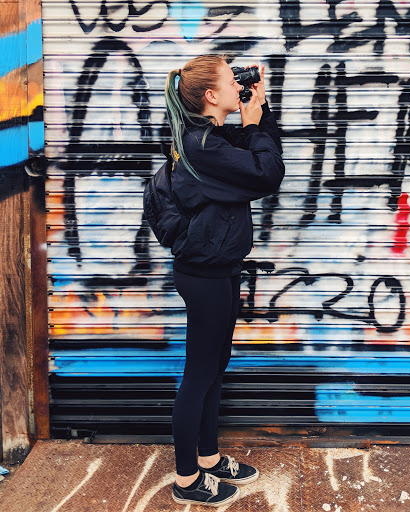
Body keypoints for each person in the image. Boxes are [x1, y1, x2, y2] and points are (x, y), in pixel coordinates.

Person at [163, 55, 285, 507]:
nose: (240, 85)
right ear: (211, 95)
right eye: (233, 80)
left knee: (215, 367)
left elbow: (262, 156)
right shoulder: (201, 146)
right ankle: (186, 479)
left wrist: (260, 111)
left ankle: (209, 458)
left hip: (221, 267)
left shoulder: (210, 138)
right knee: (199, 373)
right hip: (205, 275)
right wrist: (253, 124)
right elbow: (267, 173)